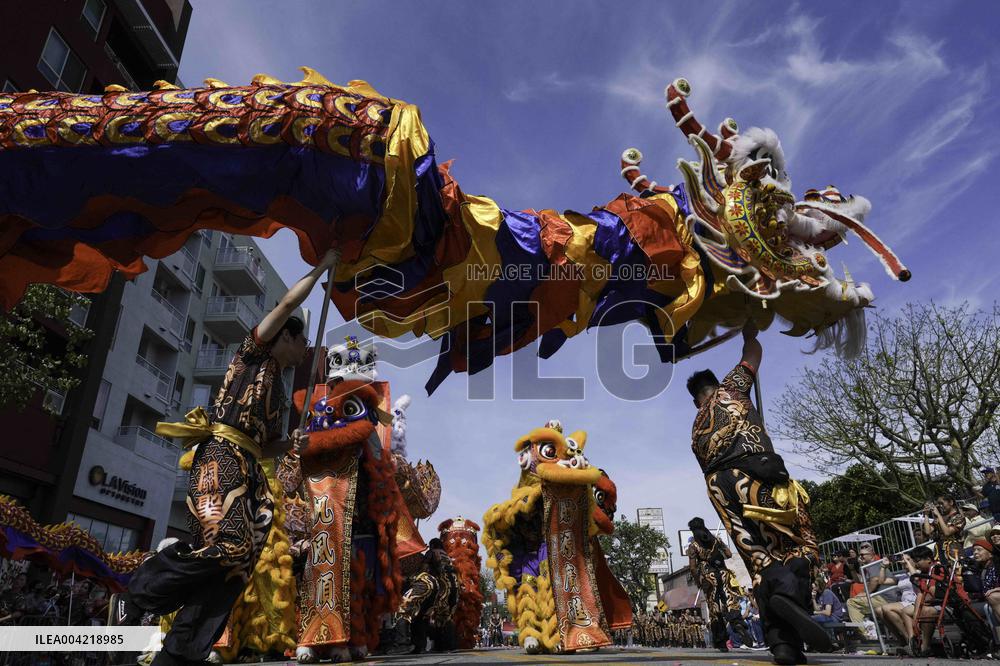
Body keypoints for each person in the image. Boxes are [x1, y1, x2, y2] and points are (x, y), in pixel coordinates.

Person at [122, 249, 340, 665]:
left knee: (238, 566)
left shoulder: (277, 390)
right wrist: (324, 266)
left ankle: (181, 652)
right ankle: (139, 594)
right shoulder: (252, 355)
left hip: (250, 466)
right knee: (230, 544)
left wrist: (290, 444)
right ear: (285, 336)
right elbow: (289, 303)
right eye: (301, 342)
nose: (304, 351)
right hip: (220, 456)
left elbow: (267, 445)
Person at [687, 321, 831, 665]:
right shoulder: (731, 391)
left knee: (759, 559)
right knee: (797, 547)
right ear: (715, 386)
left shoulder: (694, 431)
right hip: (756, 475)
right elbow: (752, 356)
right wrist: (749, 334)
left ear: (696, 401)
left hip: (719, 490)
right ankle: (788, 593)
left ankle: (784, 645)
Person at [686, 517, 753, 651]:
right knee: (730, 601)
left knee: (714, 607)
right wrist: (719, 548)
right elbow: (728, 554)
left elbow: (693, 568)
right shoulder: (716, 539)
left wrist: (698, 581)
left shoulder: (693, 546)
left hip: (708, 577)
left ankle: (721, 641)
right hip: (724, 573)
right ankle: (737, 623)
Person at [845, 545, 899, 627]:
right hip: (879, 597)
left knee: (851, 602)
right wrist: (852, 569)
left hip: (885, 598)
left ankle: (865, 632)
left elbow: (875, 580)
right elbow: (859, 581)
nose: (860, 557)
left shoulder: (873, 564)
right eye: (859, 555)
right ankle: (865, 628)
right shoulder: (867, 567)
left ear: (871, 554)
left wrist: (865, 593)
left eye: (863, 555)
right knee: (854, 604)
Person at [874, 552, 920, 644]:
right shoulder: (902, 576)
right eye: (903, 560)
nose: (904, 562)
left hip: (914, 602)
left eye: (908, 559)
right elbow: (881, 581)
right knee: (878, 610)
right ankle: (902, 637)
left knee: (886, 608)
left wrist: (907, 562)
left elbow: (916, 578)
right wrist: (883, 566)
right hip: (904, 602)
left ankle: (908, 639)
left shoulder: (919, 573)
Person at [921, 495, 966, 563]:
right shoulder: (941, 518)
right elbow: (928, 531)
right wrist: (926, 515)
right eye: (939, 504)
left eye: (942, 503)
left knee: (956, 571)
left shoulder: (959, 517)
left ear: (951, 502)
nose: (940, 506)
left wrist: (938, 515)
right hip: (939, 550)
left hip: (954, 551)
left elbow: (947, 532)